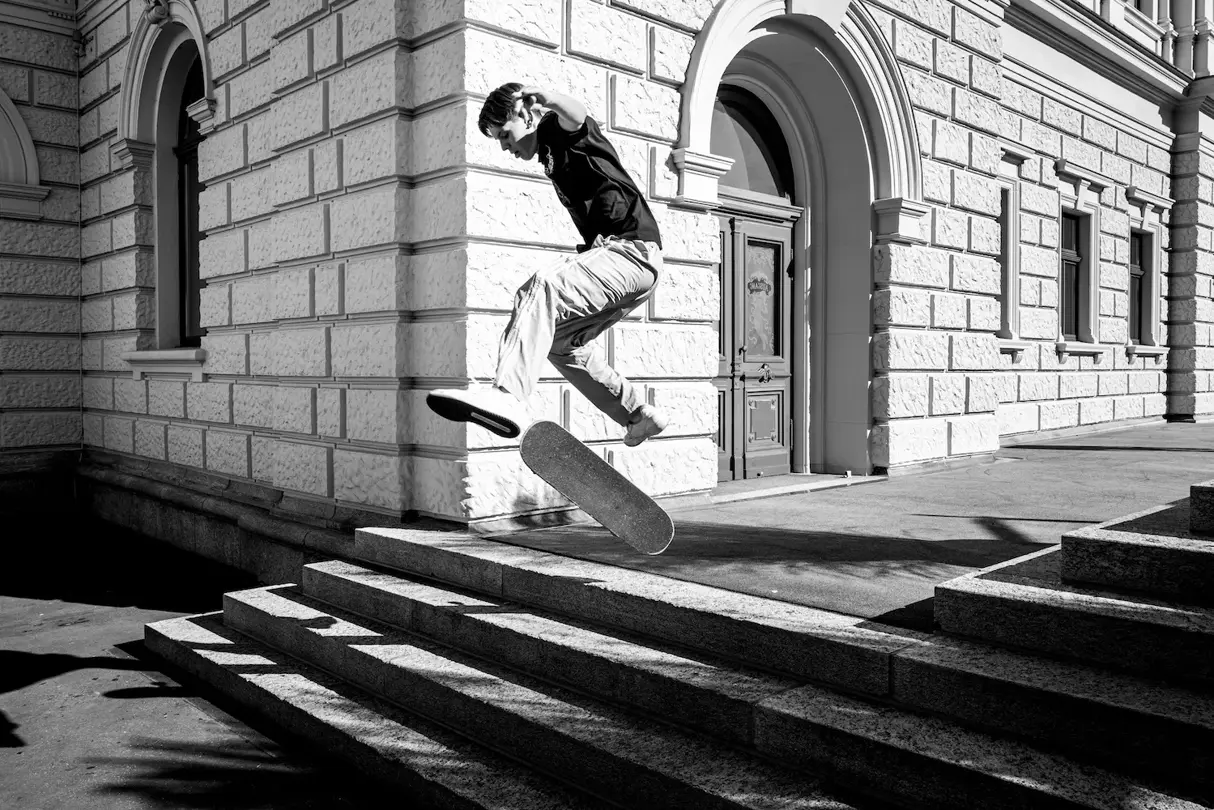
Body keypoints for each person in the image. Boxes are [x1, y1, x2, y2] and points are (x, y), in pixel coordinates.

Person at [426, 83, 670, 447]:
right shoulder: (550, 156)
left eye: (505, 134)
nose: (505, 147)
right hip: (632, 269)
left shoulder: (557, 130)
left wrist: (549, 100)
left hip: (630, 252)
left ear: (526, 116)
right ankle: (636, 415)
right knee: (560, 343)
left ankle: (508, 395)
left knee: (543, 286)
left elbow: (578, 116)